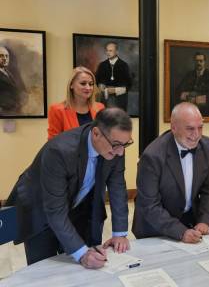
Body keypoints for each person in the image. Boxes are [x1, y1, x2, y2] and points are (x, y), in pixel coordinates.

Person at [6, 108, 133, 268]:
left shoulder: (116, 147)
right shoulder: (59, 151)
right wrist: (82, 254)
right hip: (39, 209)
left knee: (78, 268)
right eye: (116, 145)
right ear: (96, 134)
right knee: (44, 270)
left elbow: (118, 188)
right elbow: (55, 211)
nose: (121, 152)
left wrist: (119, 234)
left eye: (125, 144)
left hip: (75, 205)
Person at [132, 102, 209, 243]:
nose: (196, 135)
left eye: (200, 127)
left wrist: (204, 220)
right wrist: (180, 232)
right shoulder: (152, 156)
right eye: (190, 129)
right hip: (155, 228)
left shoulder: (207, 147)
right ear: (173, 128)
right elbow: (149, 205)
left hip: (190, 222)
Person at [47, 66, 104, 139]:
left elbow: (103, 137)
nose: (88, 88)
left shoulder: (100, 108)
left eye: (91, 84)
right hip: (67, 150)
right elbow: (53, 142)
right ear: (71, 85)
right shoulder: (57, 110)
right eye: (83, 83)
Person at [175, 52, 209, 117]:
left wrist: (196, 99)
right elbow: (179, 90)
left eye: (201, 61)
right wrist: (187, 95)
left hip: (205, 112)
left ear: (204, 62)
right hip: (189, 111)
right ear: (194, 62)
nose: (198, 63)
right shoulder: (189, 75)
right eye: (197, 61)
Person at [96, 42, 131, 112]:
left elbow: (129, 85)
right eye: (107, 50)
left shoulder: (124, 65)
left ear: (116, 51)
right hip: (104, 98)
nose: (108, 53)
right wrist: (100, 85)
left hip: (119, 100)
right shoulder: (102, 65)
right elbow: (97, 81)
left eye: (110, 50)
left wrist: (115, 90)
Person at [0, 46, 26, 115]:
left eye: (6, 56)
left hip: (13, 111)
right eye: (1, 56)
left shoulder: (7, 72)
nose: (5, 58)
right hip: (4, 112)